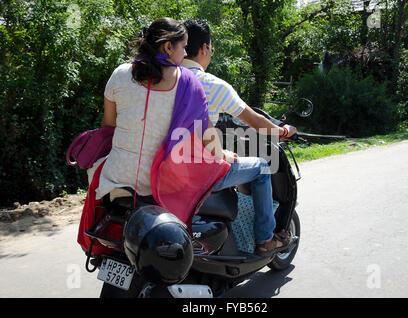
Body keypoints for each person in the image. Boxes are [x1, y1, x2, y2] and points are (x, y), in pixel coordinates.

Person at [78, 17, 232, 256]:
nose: (185, 53)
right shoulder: (187, 82)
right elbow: (208, 139)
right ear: (169, 47)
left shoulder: (119, 74)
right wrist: (223, 158)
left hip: (112, 181)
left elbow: (108, 128)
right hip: (152, 188)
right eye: (183, 46)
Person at [182, 19, 293, 254]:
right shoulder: (212, 84)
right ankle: (264, 239)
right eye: (211, 49)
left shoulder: (164, 79)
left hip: (169, 167)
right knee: (262, 167)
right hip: (201, 173)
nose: (210, 53)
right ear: (203, 49)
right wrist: (283, 131)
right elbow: (255, 121)